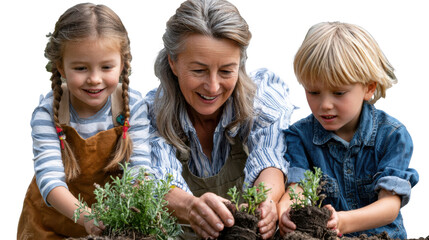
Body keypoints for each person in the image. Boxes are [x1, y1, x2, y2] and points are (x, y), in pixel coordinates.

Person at [146, 0, 295, 239]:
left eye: (226, 71)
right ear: (173, 63)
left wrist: (265, 201)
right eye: (199, 70)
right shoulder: (152, 114)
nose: (213, 86)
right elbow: (157, 180)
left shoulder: (262, 99)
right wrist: (191, 207)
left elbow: (271, 156)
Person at [17, 3, 151, 239]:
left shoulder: (133, 107)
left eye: (106, 67)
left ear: (122, 63)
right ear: (61, 67)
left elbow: (140, 171)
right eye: (81, 68)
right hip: (50, 224)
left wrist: (122, 216)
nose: (94, 79)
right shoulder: (48, 113)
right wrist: (86, 217)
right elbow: (49, 179)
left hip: (109, 224)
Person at [277, 21, 419, 239]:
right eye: (313, 92)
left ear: (368, 88)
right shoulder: (300, 136)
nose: (324, 104)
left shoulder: (392, 135)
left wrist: (342, 221)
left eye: (339, 93)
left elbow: (389, 206)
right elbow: (298, 189)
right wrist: (285, 212)